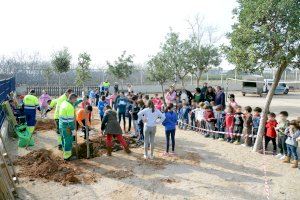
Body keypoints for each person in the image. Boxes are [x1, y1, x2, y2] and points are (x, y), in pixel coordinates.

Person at [59, 93, 78, 161]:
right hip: (67, 127)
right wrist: (73, 130)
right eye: (75, 100)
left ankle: (64, 153)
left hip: (61, 125)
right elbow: (70, 122)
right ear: (72, 99)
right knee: (68, 141)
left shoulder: (64, 103)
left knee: (63, 139)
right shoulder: (70, 107)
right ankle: (67, 157)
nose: (75, 101)